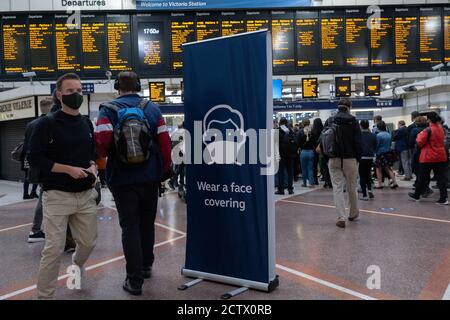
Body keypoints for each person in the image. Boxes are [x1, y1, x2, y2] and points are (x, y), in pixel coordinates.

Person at [95, 71, 172, 295]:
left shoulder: (107, 110)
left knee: (129, 226)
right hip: (149, 177)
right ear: (138, 85)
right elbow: (165, 143)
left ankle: (134, 279)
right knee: (147, 223)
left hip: (121, 178)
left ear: (117, 86)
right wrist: (163, 170)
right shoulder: (152, 108)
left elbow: (101, 144)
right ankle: (147, 265)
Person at [28, 73, 98, 299]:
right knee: (53, 249)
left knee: (87, 244)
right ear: (59, 95)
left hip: (85, 195)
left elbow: (92, 154)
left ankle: (76, 267)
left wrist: (93, 167)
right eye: (70, 91)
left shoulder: (86, 122)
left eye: (78, 91)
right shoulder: (46, 124)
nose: (76, 95)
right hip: (57, 195)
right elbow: (35, 158)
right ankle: (44, 295)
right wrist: (68, 169)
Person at [324, 99, 362, 228]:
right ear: (349, 107)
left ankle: (341, 217)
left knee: (337, 187)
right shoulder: (353, 121)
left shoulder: (330, 120)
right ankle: (353, 213)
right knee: (352, 186)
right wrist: (358, 158)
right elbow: (358, 142)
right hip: (350, 159)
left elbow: (323, 140)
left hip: (334, 159)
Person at [409, 113, 448, 205]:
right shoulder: (441, 129)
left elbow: (419, 142)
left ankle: (417, 195)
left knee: (422, 177)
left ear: (429, 120)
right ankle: (443, 198)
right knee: (441, 178)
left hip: (428, 157)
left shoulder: (428, 130)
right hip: (441, 156)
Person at [374, 121, 398, 189]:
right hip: (388, 153)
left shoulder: (378, 135)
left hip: (380, 153)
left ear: (378, 127)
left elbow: (377, 145)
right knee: (388, 168)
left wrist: (375, 151)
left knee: (378, 168)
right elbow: (390, 144)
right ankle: (395, 182)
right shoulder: (388, 134)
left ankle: (380, 184)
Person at [276, 118, 298, 195]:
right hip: (291, 155)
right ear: (287, 123)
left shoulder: (277, 130)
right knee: (290, 172)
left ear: (280, 123)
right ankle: (290, 189)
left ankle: (281, 189)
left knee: (281, 172)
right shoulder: (290, 131)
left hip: (281, 155)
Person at [359, 120, 377, 200]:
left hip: (361, 157)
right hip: (370, 157)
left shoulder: (358, 135)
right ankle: (370, 190)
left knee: (362, 176)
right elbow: (375, 145)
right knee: (368, 174)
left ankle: (364, 195)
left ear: (361, 126)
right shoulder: (373, 135)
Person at [298, 118, 317, 188]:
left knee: (303, 168)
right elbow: (315, 142)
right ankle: (311, 183)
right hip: (311, 152)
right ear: (309, 123)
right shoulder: (312, 131)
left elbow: (298, 142)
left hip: (303, 152)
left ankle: (304, 183)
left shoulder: (300, 132)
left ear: (303, 123)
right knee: (310, 168)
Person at [311, 118, 324, 185]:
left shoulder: (312, 131)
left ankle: (315, 180)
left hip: (314, 150)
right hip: (322, 149)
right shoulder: (323, 130)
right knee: (323, 164)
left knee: (314, 165)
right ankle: (325, 178)